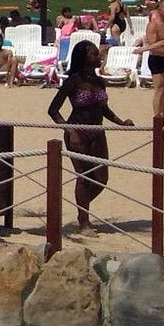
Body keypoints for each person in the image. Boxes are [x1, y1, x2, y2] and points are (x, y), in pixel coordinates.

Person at [48, 41, 134, 233]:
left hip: (97, 132)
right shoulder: (73, 82)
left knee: (102, 179)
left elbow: (103, 109)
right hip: (77, 132)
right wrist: (70, 131)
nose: (99, 57)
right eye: (94, 55)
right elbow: (53, 111)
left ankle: (82, 210)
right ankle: (84, 220)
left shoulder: (99, 81)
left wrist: (121, 122)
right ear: (84, 58)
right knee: (85, 178)